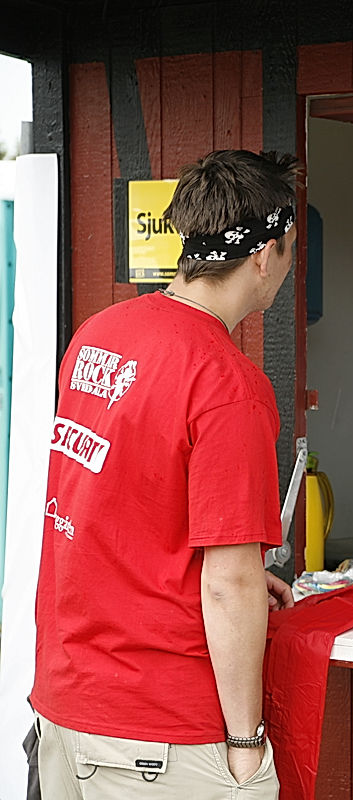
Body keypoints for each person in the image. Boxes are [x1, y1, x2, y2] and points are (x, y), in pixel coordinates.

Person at [30, 149, 300, 798]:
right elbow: (228, 584)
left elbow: (116, 504)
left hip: (65, 708)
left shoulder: (100, 334)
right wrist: (245, 744)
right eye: (291, 252)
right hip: (159, 734)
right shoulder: (228, 383)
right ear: (266, 255)